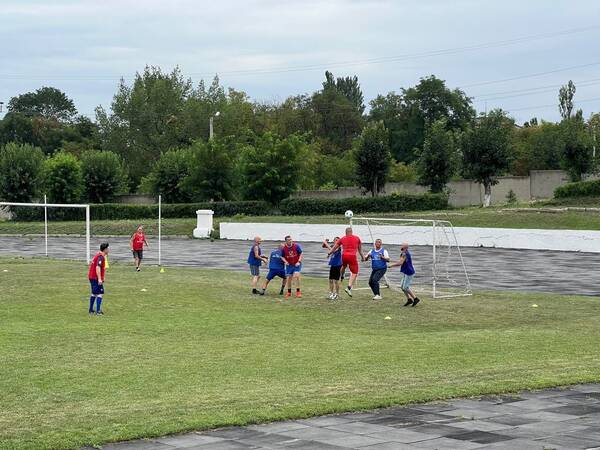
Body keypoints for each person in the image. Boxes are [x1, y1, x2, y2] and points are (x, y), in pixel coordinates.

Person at [328, 227, 364, 297]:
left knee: (344, 266)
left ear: (345, 232)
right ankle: (349, 287)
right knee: (354, 272)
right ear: (352, 232)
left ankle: (341, 276)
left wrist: (329, 253)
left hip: (344, 256)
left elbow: (334, 247)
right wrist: (363, 257)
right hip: (352, 256)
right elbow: (360, 250)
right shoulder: (357, 238)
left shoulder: (343, 238)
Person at [390, 242, 420, 307]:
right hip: (406, 272)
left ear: (405, 247)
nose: (401, 246)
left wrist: (391, 265)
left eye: (402, 245)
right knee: (402, 287)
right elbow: (401, 261)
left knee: (405, 287)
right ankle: (409, 299)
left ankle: (415, 298)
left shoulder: (404, 254)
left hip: (409, 272)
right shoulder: (404, 253)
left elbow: (400, 263)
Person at [88, 242, 110, 315]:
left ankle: (91, 310)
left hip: (92, 277)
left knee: (94, 293)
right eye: (108, 248)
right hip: (95, 278)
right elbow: (98, 267)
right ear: (105, 249)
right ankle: (98, 311)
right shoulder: (101, 257)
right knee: (100, 293)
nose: (109, 250)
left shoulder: (98, 255)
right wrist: (100, 279)